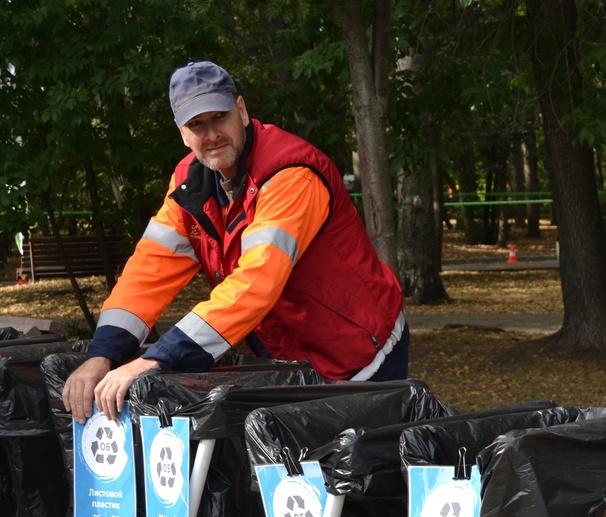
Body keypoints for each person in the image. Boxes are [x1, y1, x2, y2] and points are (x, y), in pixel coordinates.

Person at [63, 60, 406, 423]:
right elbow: (146, 275)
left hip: (359, 350)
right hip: (287, 355)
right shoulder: (187, 186)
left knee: (353, 473)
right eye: (197, 124)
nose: (211, 134)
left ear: (241, 111)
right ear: (182, 133)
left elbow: (256, 282)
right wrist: (101, 356)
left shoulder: (289, 174)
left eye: (219, 117)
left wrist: (155, 359)